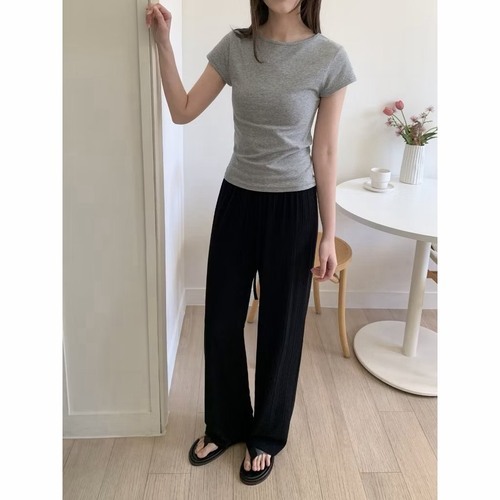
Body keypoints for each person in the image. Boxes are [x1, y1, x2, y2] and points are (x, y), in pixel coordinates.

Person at [146, 0, 356, 486]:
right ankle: (224, 425)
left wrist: (328, 233)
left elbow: (325, 152)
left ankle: (266, 436)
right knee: (221, 319)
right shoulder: (237, 48)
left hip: (294, 207)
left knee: (281, 329)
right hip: (238, 199)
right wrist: (163, 44)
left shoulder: (329, 58)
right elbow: (182, 111)